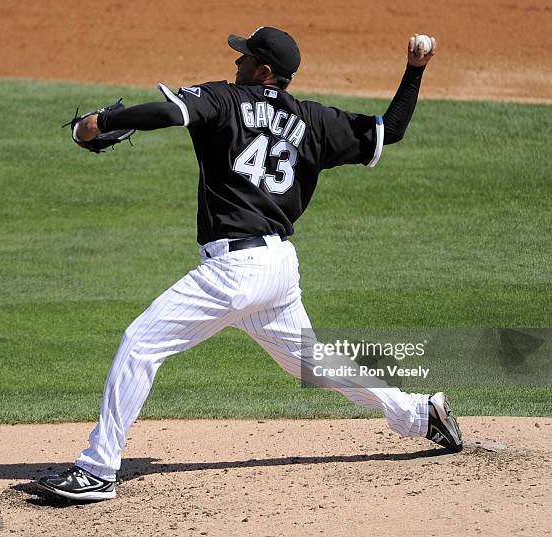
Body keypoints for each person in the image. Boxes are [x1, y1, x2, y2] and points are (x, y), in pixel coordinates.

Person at [37, 26, 462, 502]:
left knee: (140, 344)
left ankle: (97, 470)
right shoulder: (316, 120)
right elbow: (393, 128)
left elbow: (167, 112)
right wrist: (415, 71)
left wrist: (99, 121)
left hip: (235, 271)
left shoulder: (224, 99)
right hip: (278, 269)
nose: (234, 63)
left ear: (263, 70)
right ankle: (419, 414)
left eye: (243, 58)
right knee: (315, 365)